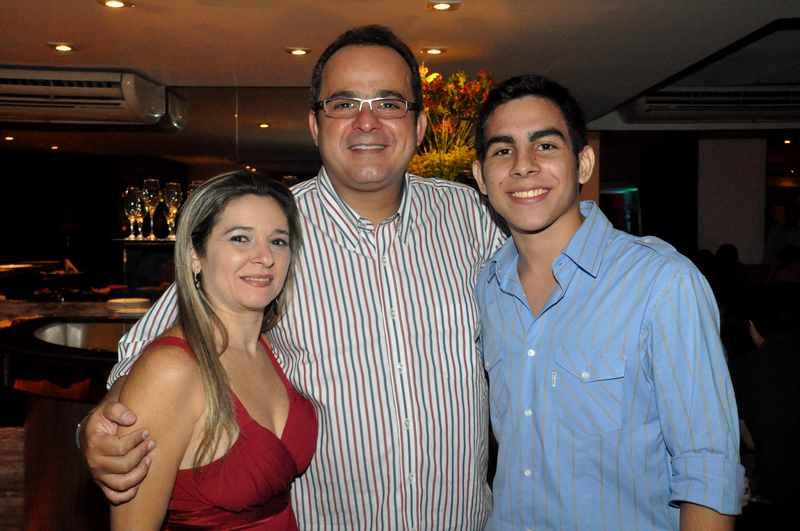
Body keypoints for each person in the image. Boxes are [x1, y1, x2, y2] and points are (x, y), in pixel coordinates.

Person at [81, 26, 504, 529]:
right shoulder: (269, 230)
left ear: (420, 124)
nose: (366, 121)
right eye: (344, 104)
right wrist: (94, 431)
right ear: (314, 124)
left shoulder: (473, 217)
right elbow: (144, 359)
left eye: (389, 103)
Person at [471, 74, 744, 531]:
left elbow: (708, 473)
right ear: (481, 176)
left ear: (583, 163)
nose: (523, 166)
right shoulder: (487, 287)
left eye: (545, 146)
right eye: (502, 150)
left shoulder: (661, 283)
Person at [109, 171, 316, 529]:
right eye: (240, 238)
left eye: (278, 241)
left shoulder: (272, 349)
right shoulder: (170, 369)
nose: (265, 257)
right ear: (194, 256)